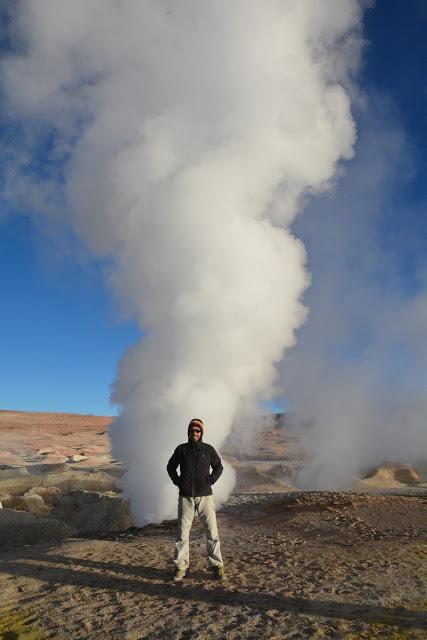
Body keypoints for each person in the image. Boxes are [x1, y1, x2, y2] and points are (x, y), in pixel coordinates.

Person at [167, 418, 225, 582]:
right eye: (192, 430)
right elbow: (170, 467)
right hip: (186, 497)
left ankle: (217, 567)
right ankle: (180, 567)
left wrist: (211, 480)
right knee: (182, 534)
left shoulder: (208, 449)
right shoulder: (181, 449)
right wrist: (178, 482)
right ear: (188, 432)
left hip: (205, 496)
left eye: (197, 431)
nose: (195, 433)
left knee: (212, 533)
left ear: (202, 433)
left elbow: (219, 467)